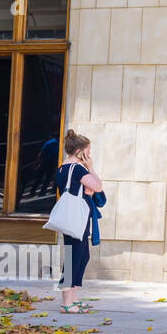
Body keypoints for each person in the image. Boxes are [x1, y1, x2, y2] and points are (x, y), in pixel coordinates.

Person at [55, 130, 106, 315]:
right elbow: (98, 186)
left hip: (76, 216)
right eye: (88, 151)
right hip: (77, 216)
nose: (89, 155)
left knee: (82, 255)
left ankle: (73, 297)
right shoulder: (76, 168)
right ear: (79, 151)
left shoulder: (62, 168)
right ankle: (67, 302)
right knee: (74, 257)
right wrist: (90, 167)